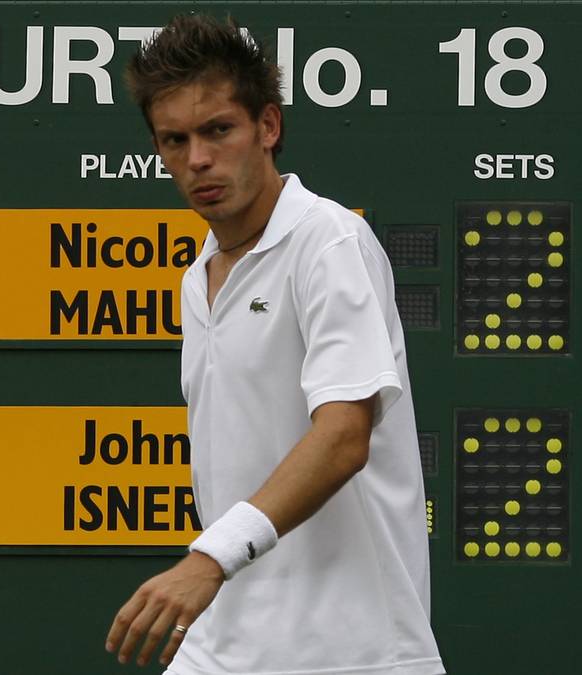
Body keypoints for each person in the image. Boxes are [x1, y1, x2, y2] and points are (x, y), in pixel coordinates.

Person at [106, 14, 445, 675]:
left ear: (268, 126)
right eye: (175, 140)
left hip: (352, 653)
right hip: (219, 644)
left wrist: (211, 557)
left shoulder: (329, 242)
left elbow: (344, 436)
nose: (197, 159)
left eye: (218, 130)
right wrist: (214, 565)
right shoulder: (197, 277)